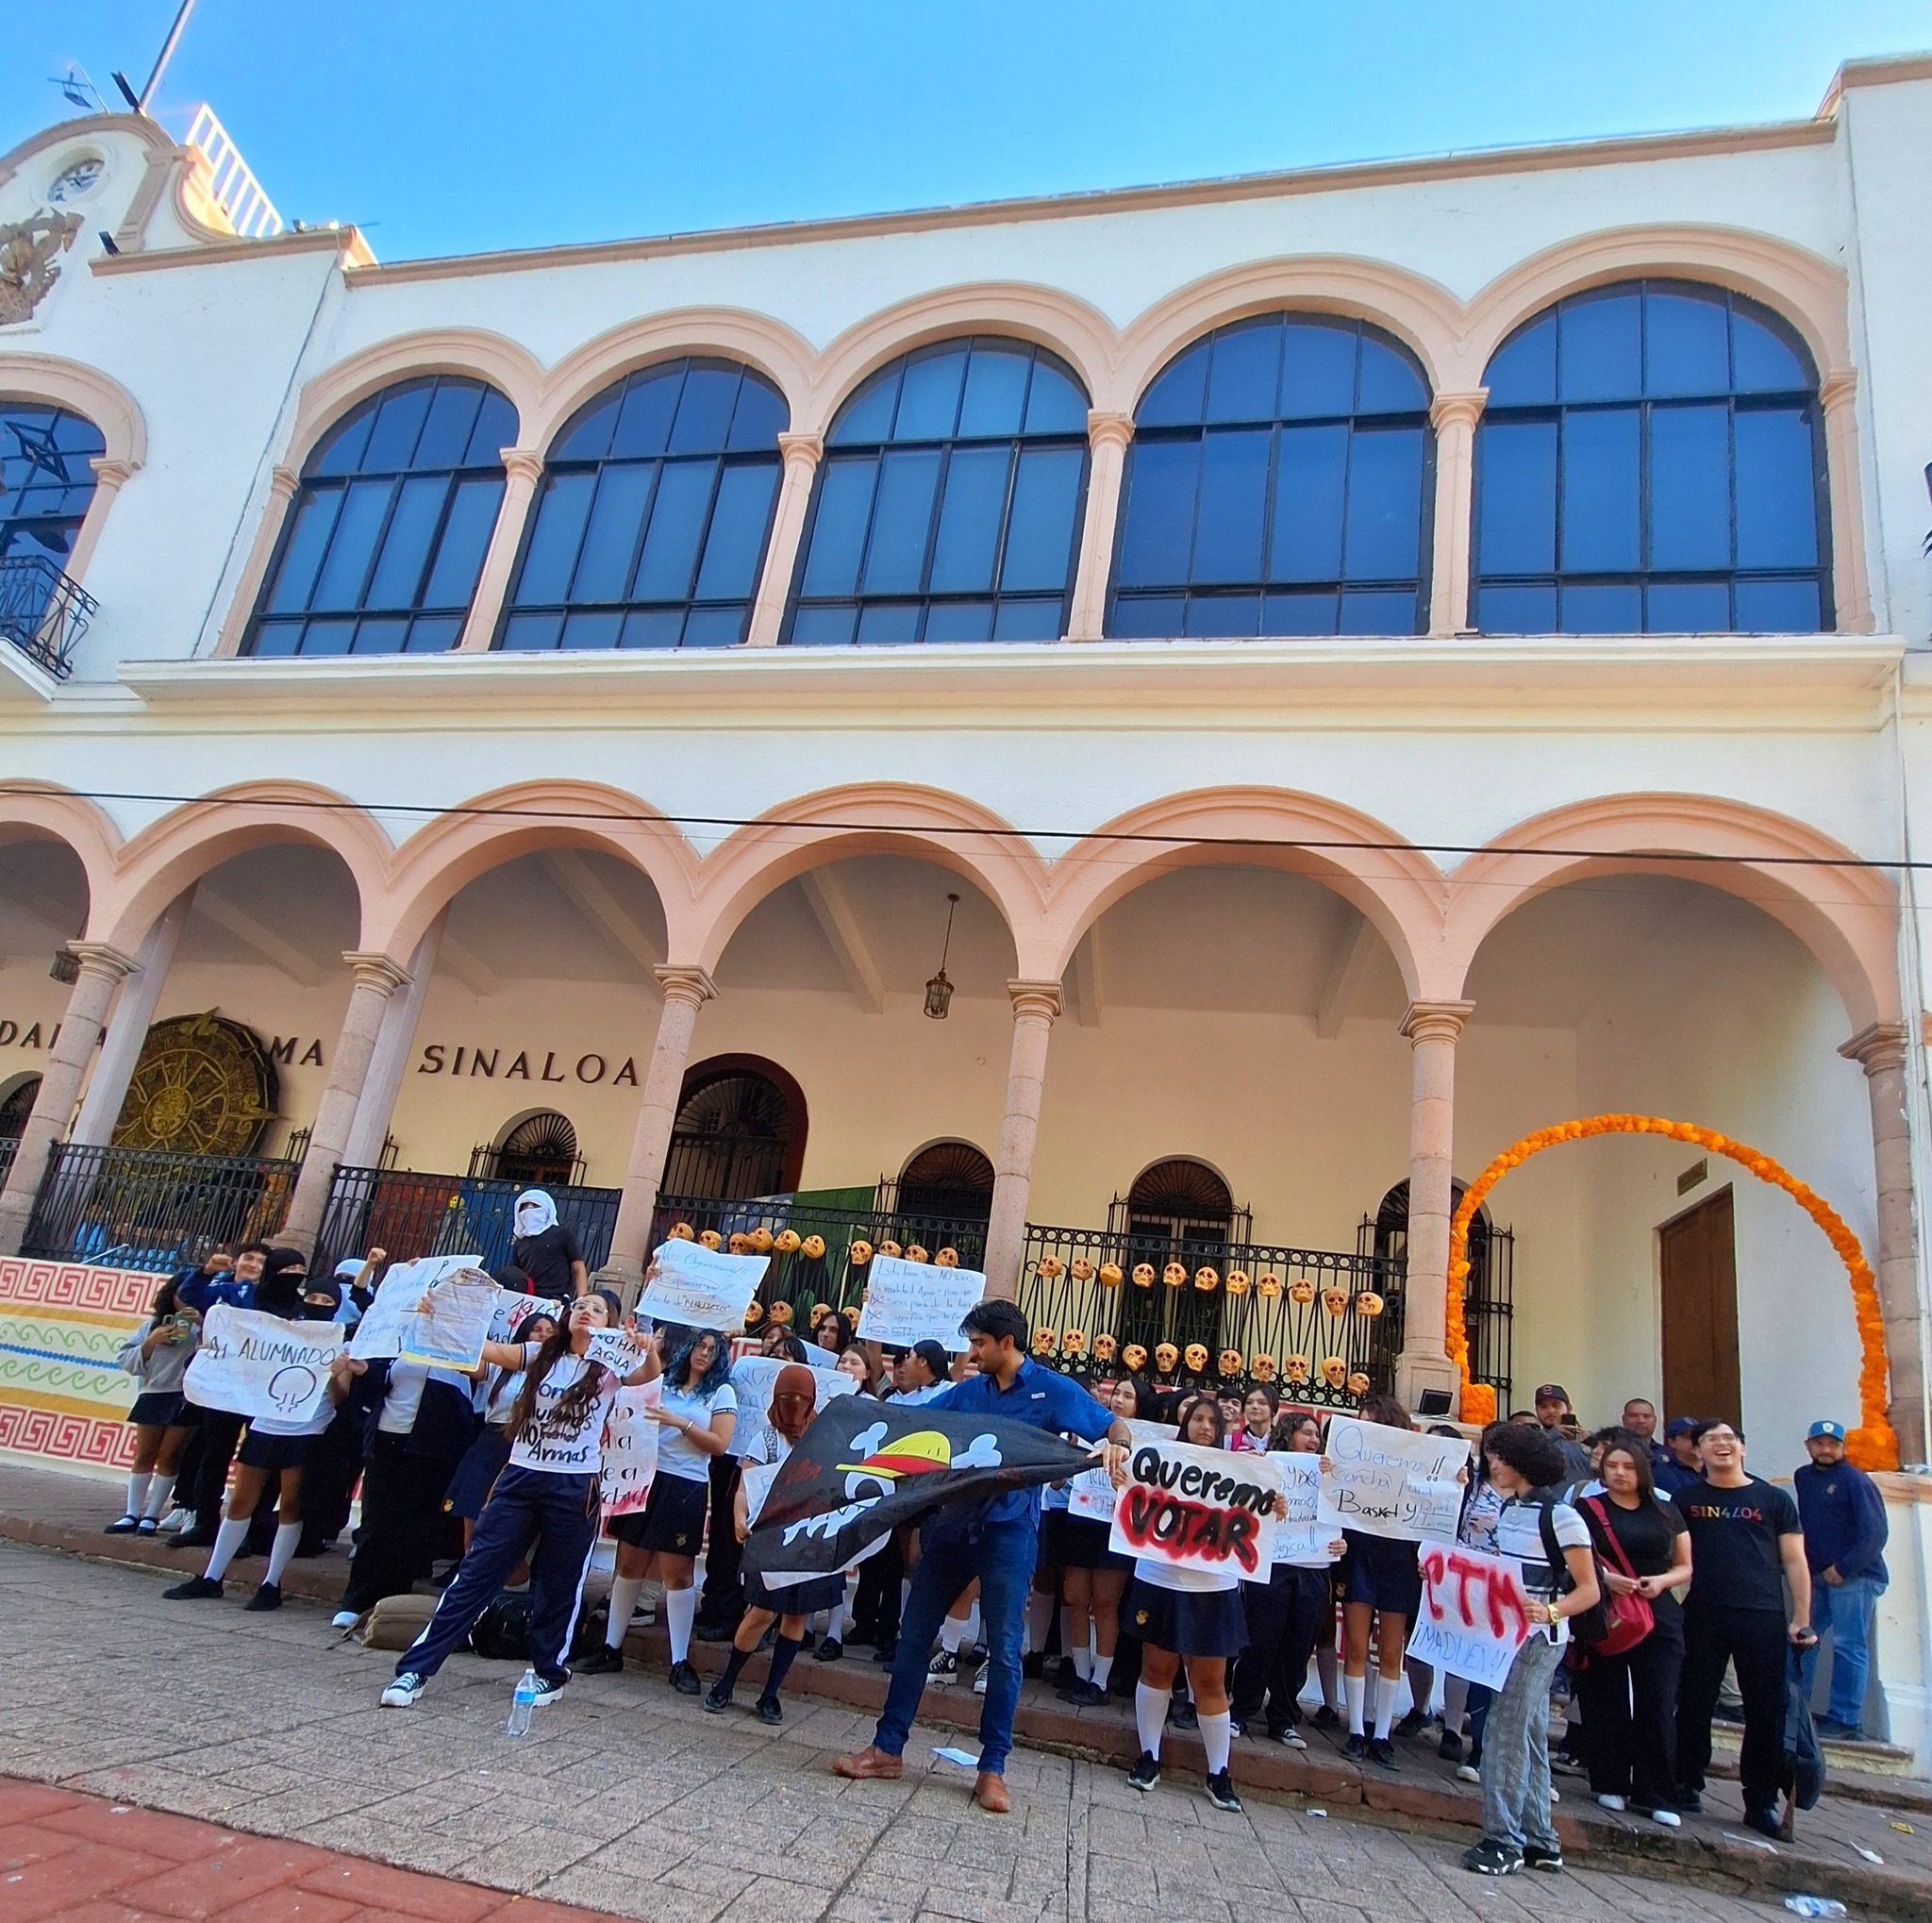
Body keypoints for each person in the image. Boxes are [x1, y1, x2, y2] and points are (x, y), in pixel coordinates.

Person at [833, 1298, 1129, 1814]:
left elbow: (1113, 1426)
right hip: (952, 1528)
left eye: (978, 1344)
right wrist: (846, 1416)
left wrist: (1116, 1446)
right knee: (912, 1638)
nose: (971, 1354)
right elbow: (908, 1425)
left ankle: (993, 1769)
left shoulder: (1053, 1390)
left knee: (1006, 1651)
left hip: (1010, 1534)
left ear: (1006, 1343)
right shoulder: (968, 1392)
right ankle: (887, 1749)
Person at [381, 1290, 657, 1709]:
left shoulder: (613, 1363)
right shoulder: (542, 1352)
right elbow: (486, 1350)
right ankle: (415, 1670)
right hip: (521, 1476)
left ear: (610, 1323)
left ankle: (549, 1673)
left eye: (597, 1309)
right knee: (476, 1572)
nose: (586, 1311)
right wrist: (442, 1316)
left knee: (561, 1584)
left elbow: (647, 1377)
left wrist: (647, 1349)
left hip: (574, 1486)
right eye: (580, 1305)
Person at [162, 1251, 355, 1611]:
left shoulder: (341, 1344)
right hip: (266, 1423)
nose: (317, 1304)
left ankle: (271, 1583)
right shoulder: (283, 1329)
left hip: (307, 1431)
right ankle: (212, 1577)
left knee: (290, 1506)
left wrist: (335, 1374)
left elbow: (339, 1398)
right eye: (313, 1297)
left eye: (326, 1300)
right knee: (240, 1501)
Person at [1123, 1394, 1283, 1813]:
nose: (1206, 1427)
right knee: (1156, 1669)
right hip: (1159, 1578)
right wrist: (1121, 1479)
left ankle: (1218, 1772)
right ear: (1186, 1423)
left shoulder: (1241, 1472)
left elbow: (1260, 1518)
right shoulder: (1158, 1461)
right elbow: (1132, 1492)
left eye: (1213, 1422)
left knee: (1210, 1681)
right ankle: (1148, 1756)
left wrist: (1274, 1508)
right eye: (1198, 1419)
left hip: (1213, 1587)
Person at [1460, 1422, 1601, 1878]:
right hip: (1512, 1636)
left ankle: (1503, 1840)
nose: (1493, 1465)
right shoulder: (1511, 1510)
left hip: (1538, 1641)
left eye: (1499, 1457)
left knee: (1504, 1731)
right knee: (1531, 1734)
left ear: (1520, 1462)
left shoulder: (1562, 1517)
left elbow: (1589, 1589)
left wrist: (1551, 1611)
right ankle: (1541, 1839)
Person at [1674, 1419, 1815, 1837]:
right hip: (1701, 1613)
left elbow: (1795, 1560)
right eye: (1711, 1440)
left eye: (1728, 1439)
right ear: (1698, 1451)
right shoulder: (1686, 1499)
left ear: (1743, 1448)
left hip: (1761, 1615)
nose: (1721, 1445)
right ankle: (1685, 1783)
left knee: (1765, 1710)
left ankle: (1760, 1800)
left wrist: (1801, 1617)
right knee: (1694, 1702)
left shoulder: (1773, 1499)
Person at [581, 1327, 736, 1688]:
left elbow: (720, 1444)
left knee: (677, 1574)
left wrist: (680, 1423)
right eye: (700, 1345)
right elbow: (632, 1394)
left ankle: (679, 1661)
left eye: (713, 1349)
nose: (704, 1353)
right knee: (629, 1564)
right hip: (646, 1477)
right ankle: (611, 1648)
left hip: (685, 1484)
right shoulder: (665, 1381)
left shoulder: (721, 1392)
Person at [705, 1363, 837, 1723]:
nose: (794, 1404)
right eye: (786, 1397)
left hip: (811, 1540)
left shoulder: (824, 1437)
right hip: (772, 1539)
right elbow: (745, 1487)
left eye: (801, 1398)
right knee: (761, 1613)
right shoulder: (765, 1439)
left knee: (796, 1617)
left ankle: (771, 1694)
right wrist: (738, 1517)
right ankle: (727, 1682)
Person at [1572, 1436, 1692, 1827]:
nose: (1619, 1473)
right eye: (1612, 1466)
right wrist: (1606, 1578)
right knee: (1605, 1697)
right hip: (1607, 1610)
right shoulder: (1588, 1509)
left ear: (1642, 1470)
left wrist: (1661, 1581)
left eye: (1627, 1467)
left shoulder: (1666, 1510)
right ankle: (1609, 1781)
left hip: (1657, 1611)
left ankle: (1656, 1792)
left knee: (1657, 1700)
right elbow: (1574, 1555)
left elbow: (1685, 1565)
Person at [328, 1336, 480, 1626]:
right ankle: (356, 1601)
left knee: (414, 1527)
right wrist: (364, 1371)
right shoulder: (394, 1337)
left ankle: (392, 1606)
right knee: (376, 1522)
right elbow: (374, 1385)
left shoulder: (463, 1338)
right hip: (388, 1437)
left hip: (435, 1445)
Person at [1230, 1408, 1340, 1747]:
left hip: (1314, 1568)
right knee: (1260, 1641)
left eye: (1317, 1435)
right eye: (1307, 1432)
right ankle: (1241, 1711)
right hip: (1274, 1564)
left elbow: (1347, 1513)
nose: (1314, 1439)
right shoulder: (1268, 1465)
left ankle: (1283, 1718)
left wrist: (1342, 1542)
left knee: (1298, 1646)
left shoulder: (1330, 1473)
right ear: (1289, 1434)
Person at [1338, 1393, 1427, 1769]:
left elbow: (1436, 1498)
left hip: (1400, 1558)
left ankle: (1382, 1735)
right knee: (1356, 1646)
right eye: (1361, 1422)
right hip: (1359, 1552)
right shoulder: (1348, 1460)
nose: (1365, 1429)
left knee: (1391, 1651)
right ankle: (1356, 1730)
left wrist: (1454, 1482)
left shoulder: (1415, 1464)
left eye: (1372, 1422)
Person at [1052, 1375, 1148, 1707]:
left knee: (1105, 1602)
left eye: (1128, 1396)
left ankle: (1100, 1681)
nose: (1119, 1400)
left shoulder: (1148, 1441)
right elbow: (1059, 1480)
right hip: (1081, 1519)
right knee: (1075, 1597)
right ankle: (1081, 1675)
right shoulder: (1090, 1428)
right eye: (1117, 1393)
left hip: (1115, 1526)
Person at [170, 1242, 274, 1547]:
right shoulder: (222, 1290)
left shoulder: (272, 1296)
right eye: (248, 1258)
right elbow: (189, 1296)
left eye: (261, 1262)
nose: (253, 1265)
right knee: (213, 1454)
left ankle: (246, 1530)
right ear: (236, 1261)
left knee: (255, 1458)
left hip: (256, 1389)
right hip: (222, 1386)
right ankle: (204, 1522)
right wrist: (206, 1271)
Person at [1793, 1417, 1889, 1740]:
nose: (1825, 1449)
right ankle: (1795, 1710)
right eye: (1819, 1443)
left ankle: (1846, 1720)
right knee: (1803, 1638)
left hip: (1856, 1577)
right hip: (1818, 1575)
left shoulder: (1856, 1481)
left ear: (1843, 1447)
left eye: (1833, 1444)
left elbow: (1875, 1534)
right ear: (1808, 1446)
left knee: (1849, 1645)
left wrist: (1843, 1568)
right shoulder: (1803, 1477)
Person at [439, 1306, 558, 1555]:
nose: (543, 1335)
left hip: (529, 1447)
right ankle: (469, 1561)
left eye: (550, 1331)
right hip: (492, 1443)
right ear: (524, 1333)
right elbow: (464, 1360)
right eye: (537, 1330)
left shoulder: (559, 1372)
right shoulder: (500, 1367)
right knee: (474, 1508)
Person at [109, 1274, 201, 1534]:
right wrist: (151, 1341)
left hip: (185, 1397)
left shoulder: (205, 1326)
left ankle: (152, 1515)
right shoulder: (151, 1325)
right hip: (153, 1393)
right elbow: (126, 1360)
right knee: (144, 1454)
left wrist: (201, 1323)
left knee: (170, 1457)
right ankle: (131, 1513)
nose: (186, 1301)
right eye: (182, 1294)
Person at [509, 1190, 588, 1300]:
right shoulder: (520, 1243)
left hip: (558, 1300)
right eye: (524, 1206)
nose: (529, 1209)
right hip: (529, 1302)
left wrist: (582, 1299)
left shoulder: (561, 1234)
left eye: (535, 1205)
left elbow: (578, 1267)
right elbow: (518, 1276)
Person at [1533, 1384, 1595, 1481]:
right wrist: (1553, 1435)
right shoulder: (1533, 1443)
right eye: (1543, 1407)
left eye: (1556, 1405)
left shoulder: (1590, 1439)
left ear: (1569, 1408)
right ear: (1536, 1411)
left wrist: (1591, 1441)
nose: (1550, 1411)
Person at [1655, 1417, 1704, 1498]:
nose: (1696, 1441)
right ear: (1672, 1442)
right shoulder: (1664, 1472)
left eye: (1699, 1436)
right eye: (1688, 1437)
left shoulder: (1715, 1467)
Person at [1230, 1384, 1276, 1454]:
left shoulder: (1282, 1441)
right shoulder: (1231, 1440)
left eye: (1262, 1403)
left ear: (1273, 1410)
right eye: (1249, 1402)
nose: (1254, 1406)